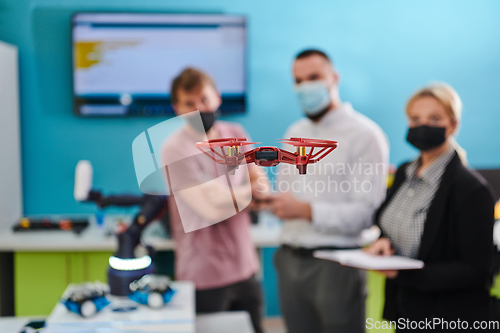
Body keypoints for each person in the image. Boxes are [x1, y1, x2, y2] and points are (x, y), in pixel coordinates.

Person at [264, 49, 389, 332]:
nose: (304, 87)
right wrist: (269, 202)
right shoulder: (294, 131)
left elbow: (366, 213)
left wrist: (307, 211)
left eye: (314, 77)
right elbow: (287, 194)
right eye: (297, 80)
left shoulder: (365, 135)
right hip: (289, 259)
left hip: (336, 265)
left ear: (334, 78)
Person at [366, 83, 497, 331]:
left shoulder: (471, 189)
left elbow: (477, 271)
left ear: (453, 124)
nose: (422, 125)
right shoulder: (405, 171)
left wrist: (402, 273)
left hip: (450, 318)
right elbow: (392, 222)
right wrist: (385, 241)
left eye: (434, 118)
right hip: (405, 311)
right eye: (415, 119)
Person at [160, 68, 268, 333]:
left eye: (204, 100)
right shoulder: (174, 149)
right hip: (204, 272)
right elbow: (208, 209)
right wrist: (246, 193)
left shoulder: (235, 132)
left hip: (244, 265)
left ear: (218, 98)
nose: (199, 109)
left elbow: (262, 184)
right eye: (189, 103)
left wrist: (230, 195)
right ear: (177, 108)